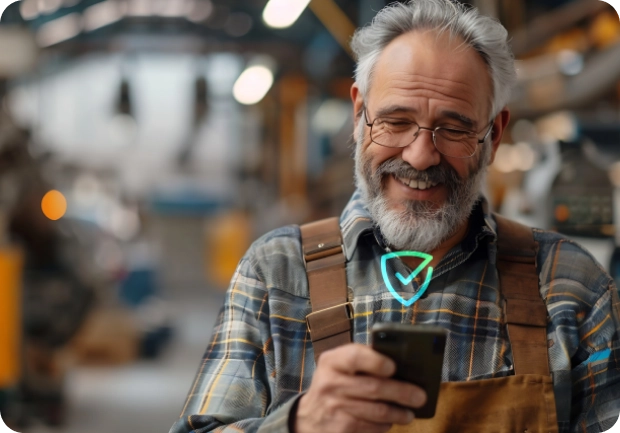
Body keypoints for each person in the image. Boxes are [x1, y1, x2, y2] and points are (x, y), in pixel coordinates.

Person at [170, 1, 620, 432]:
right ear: (359, 113)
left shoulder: (569, 285)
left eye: (454, 128)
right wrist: (298, 423)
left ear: (494, 134)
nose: (421, 156)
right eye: (396, 121)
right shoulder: (276, 273)